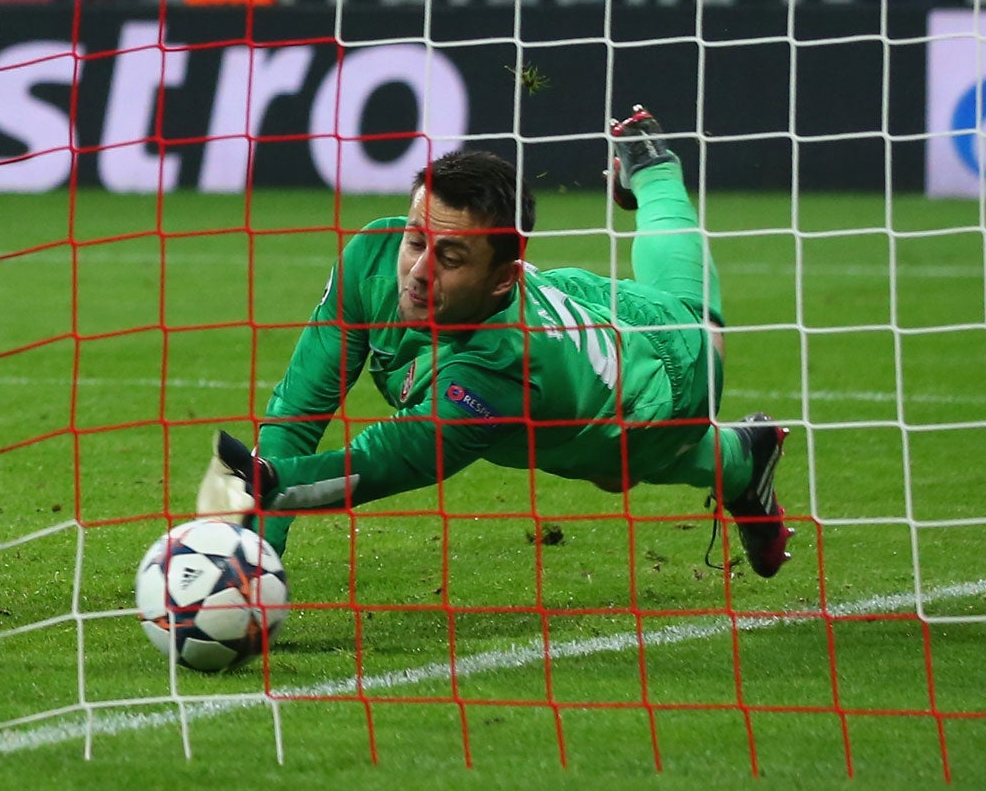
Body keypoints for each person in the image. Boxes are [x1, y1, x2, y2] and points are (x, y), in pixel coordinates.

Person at [207, 118, 793, 579]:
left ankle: (655, 172)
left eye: (451, 258)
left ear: (501, 278)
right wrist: (254, 551)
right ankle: (751, 454)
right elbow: (302, 401)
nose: (416, 272)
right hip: (574, 311)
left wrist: (270, 488)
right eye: (417, 241)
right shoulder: (373, 258)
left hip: (655, 390)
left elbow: (390, 459)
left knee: (688, 337)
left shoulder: (502, 368)